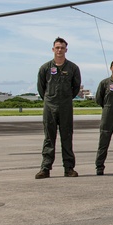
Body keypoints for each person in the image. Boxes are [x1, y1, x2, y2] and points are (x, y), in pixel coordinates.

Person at [35, 37, 81, 178]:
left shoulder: (73, 68)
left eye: (62, 48)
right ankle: (45, 168)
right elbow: (41, 88)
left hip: (66, 106)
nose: (59, 50)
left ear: (66, 50)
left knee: (67, 137)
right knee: (49, 138)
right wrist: (50, 100)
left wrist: (65, 99)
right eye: (57, 47)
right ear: (53, 49)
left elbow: (76, 87)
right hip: (50, 106)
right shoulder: (45, 68)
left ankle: (69, 168)